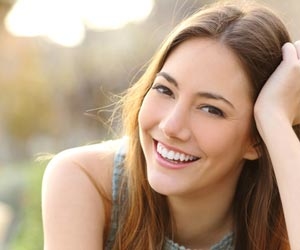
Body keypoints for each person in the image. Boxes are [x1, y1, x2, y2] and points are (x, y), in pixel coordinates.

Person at [41, 1, 300, 249]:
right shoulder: (85, 181)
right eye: (165, 90)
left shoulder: (286, 208)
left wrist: (276, 120)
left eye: (211, 109)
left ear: (257, 140)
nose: (171, 126)